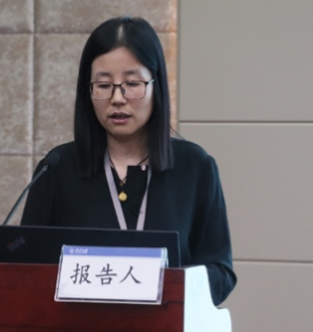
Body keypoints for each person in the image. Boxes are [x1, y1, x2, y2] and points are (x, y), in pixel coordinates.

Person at [21, 16, 236, 305]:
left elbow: (220, 273)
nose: (117, 98)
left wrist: (162, 283)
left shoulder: (194, 167)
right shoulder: (57, 168)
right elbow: (23, 270)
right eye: (103, 85)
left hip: (166, 322)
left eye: (132, 83)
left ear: (156, 86)